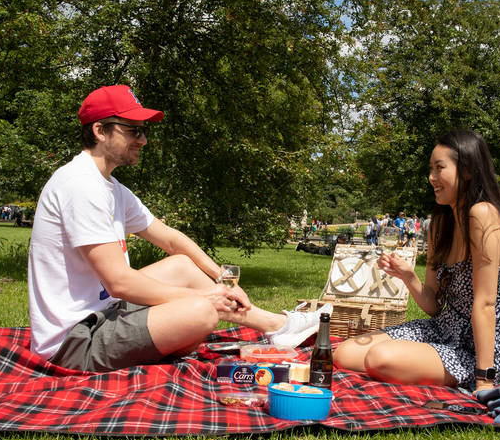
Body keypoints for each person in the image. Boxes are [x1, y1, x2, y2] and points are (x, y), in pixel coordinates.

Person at [28, 85, 330, 372]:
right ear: (99, 131)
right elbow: (119, 282)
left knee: (183, 267)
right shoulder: (80, 185)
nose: (143, 140)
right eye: (133, 130)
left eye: (143, 131)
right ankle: (256, 325)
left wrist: (223, 280)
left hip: (105, 311)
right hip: (75, 340)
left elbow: (172, 240)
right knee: (201, 313)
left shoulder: (110, 187)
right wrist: (201, 300)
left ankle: (278, 326)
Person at [334, 129, 500, 393]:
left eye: (439, 168)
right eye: (430, 169)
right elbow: (433, 306)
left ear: (467, 170)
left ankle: (468, 371)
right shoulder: (439, 225)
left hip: (479, 347)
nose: (431, 178)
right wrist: (408, 276)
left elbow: (486, 304)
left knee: (380, 357)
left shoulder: (483, 214)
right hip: (443, 329)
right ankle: (416, 363)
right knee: (345, 354)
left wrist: (485, 378)